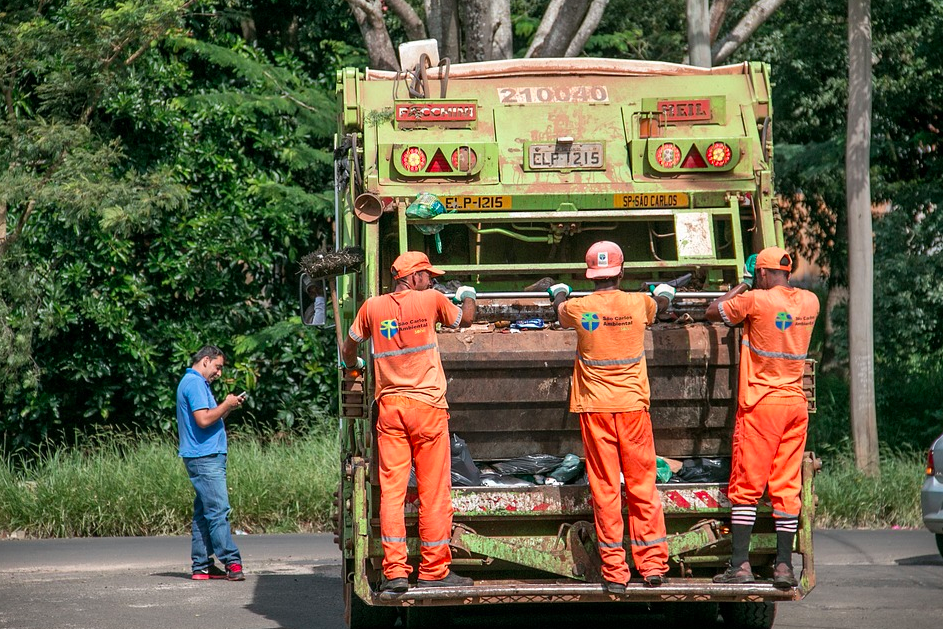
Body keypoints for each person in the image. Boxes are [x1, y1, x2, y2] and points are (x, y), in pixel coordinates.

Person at [341, 251, 477, 594]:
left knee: (392, 493)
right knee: (433, 493)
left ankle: (395, 572)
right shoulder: (431, 300)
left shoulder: (371, 307)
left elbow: (349, 347)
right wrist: (468, 295)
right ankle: (433, 570)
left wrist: (355, 366)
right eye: (427, 275)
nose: (431, 280)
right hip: (428, 409)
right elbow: (466, 320)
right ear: (413, 277)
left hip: (390, 410)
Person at [548, 241, 674, 593]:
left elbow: (560, 311)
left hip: (596, 411)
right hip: (633, 409)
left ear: (590, 275)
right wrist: (665, 293)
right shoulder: (639, 303)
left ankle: (615, 573)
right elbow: (660, 307)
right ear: (622, 271)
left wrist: (558, 292)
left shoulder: (580, 308)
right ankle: (651, 567)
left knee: (605, 490)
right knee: (642, 487)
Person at [705, 246, 819, 589]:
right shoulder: (811, 302)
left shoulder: (755, 300)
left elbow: (713, 311)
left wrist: (742, 284)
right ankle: (783, 566)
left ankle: (740, 564)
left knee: (747, 486)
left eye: (759, 275)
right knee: (786, 487)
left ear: (763, 274)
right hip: (795, 405)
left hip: (762, 405)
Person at [176, 345, 247, 581]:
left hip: (201, 455)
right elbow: (204, 419)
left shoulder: (195, 382)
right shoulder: (195, 383)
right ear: (205, 360)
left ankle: (202, 566)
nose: (219, 373)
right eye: (217, 367)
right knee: (218, 510)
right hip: (204, 457)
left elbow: (209, 417)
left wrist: (228, 406)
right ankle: (232, 562)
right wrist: (226, 404)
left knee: (203, 512)